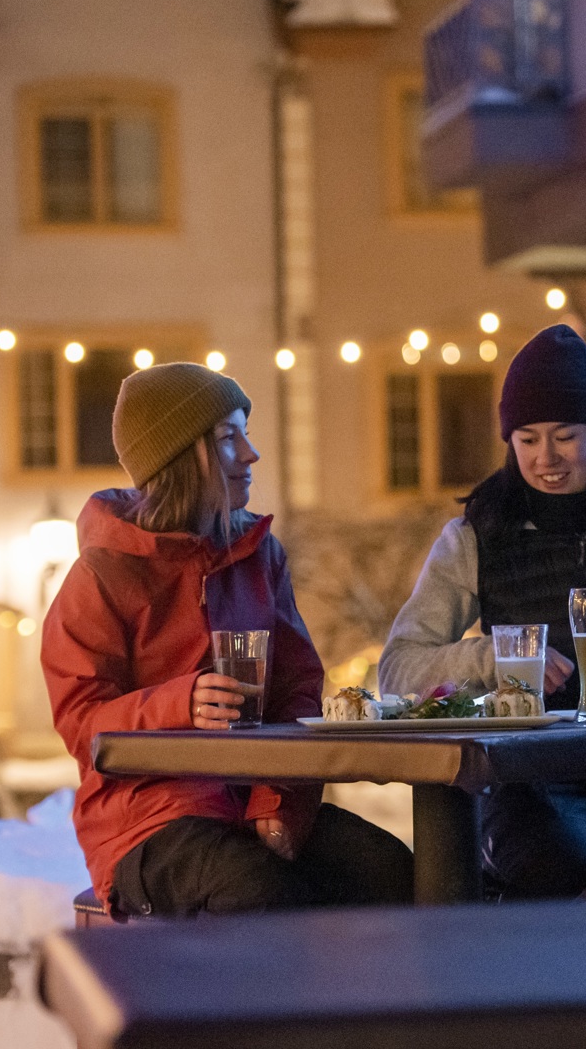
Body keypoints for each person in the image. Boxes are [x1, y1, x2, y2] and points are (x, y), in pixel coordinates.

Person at [45, 362, 413, 916]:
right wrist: (179, 702)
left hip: (251, 796)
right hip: (146, 817)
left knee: (397, 873)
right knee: (257, 890)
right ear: (179, 460)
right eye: (227, 438)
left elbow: (296, 686)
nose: (250, 453)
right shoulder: (101, 575)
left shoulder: (259, 554)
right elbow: (81, 723)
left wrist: (278, 799)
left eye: (246, 432)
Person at [380, 324, 586, 898]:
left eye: (565, 436)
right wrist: (489, 656)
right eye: (527, 440)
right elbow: (399, 668)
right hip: (534, 778)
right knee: (562, 861)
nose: (545, 458)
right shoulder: (479, 535)